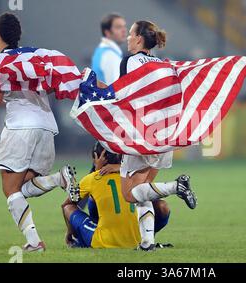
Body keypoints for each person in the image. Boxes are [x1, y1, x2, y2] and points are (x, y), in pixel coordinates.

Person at [0, 13, 77, 252]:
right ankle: (59, 179)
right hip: (46, 126)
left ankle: (34, 242)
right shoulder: (36, 57)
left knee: (10, 189)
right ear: (19, 34)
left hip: (20, 126)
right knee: (25, 186)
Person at [118, 20, 197, 251]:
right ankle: (147, 243)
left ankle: (176, 187)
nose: (128, 38)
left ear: (139, 39)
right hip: (165, 134)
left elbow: (122, 95)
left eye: (131, 34)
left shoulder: (130, 61)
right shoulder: (165, 65)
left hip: (141, 132)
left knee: (130, 194)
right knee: (144, 190)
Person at [62, 142, 172, 249]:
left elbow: (67, 203)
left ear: (97, 156)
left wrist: (70, 232)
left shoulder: (92, 179)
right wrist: (121, 167)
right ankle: (147, 236)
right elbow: (151, 165)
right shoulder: (134, 175)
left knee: (70, 206)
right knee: (160, 205)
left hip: (103, 241)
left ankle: (79, 240)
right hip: (137, 240)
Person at [91, 13, 127, 85]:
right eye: (118, 27)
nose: (124, 30)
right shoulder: (110, 55)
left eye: (124, 26)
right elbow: (117, 91)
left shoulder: (101, 51)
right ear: (107, 32)